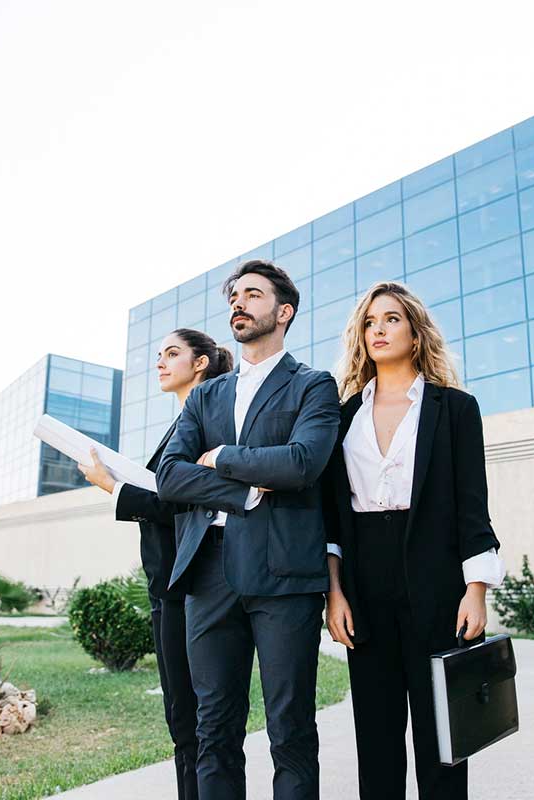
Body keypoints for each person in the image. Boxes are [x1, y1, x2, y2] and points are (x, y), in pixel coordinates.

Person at [155, 259, 341, 800]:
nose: (239, 302)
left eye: (253, 294)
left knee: (290, 731)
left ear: (283, 312)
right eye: (235, 295)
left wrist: (224, 458)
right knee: (214, 731)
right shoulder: (205, 396)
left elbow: (303, 463)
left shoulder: (313, 385)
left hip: (284, 574)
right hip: (208, 574)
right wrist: (245, 490)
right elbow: (169, 475)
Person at [321, 281, 505, 800]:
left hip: (437, 576)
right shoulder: (342, 416)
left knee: (443, 734)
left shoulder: (456, 410)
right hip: (363, 579)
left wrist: (476, 589)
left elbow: (473, 506)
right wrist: (334, 592)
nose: (378, 330)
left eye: (391, 319)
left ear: (416, 331)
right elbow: (333, 519)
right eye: (369, 322)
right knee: (375, 735)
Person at [78, 327, 233, 800]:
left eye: (171, 354)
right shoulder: (183, 422)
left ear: (200, 362)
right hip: (165, 584)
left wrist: (115, 489)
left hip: (188, 583)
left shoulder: (211, 420)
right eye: (158, 355)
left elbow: (180, 501)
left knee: (196, 719)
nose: (160, 364)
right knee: (180, 720)